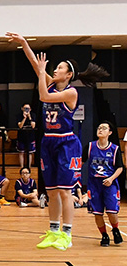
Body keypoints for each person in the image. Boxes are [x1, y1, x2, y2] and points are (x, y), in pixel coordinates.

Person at [7, 31, 110, 250]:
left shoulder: (71, 93)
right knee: (52, 191)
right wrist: (24, 43)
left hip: (66, 143)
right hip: (48, 142)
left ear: (68, 74)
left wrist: (41, 73)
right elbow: (35, 64)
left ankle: (67, 234)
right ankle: (53, 231)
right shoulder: (50, 83)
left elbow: (43, 97)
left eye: (60, 68)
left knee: (65, 191)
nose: (55, 70)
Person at [84, 121, 123, 247]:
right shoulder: (90, 146)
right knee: (97, 213)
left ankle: (115, 230)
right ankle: (104, 235)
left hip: (109, 183)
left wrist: (111, 179)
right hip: (94, 183)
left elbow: (120, 168)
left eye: (104, 128)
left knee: (112, 211)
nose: (100, 130)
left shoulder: (114, 149)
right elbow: (80, 161)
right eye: (99, 128)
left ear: (110, 132)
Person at [16, 103, 37, 169]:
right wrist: (24, 118)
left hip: (30, 136)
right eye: (25, 108)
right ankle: (21, 167)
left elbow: (33, 126)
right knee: (21, 152)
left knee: (30, 153)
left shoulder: (33, 115)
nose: (26, 110)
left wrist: (29, 117)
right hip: (21, 136)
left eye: (28, 108)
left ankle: (29, 167)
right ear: (22, 109)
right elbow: (20, 126)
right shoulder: (19, 115)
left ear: (30, 109)